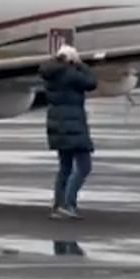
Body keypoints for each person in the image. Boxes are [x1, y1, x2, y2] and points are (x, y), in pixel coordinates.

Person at [40, 43, 97, 220]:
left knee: (65, 167)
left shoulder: (52, 75)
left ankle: (59, 205)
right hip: (73, 124)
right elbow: (91, 83)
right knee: (84, 167)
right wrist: (81, 65)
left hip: (57, 125)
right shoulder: (70, 74)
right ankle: (68, 204)